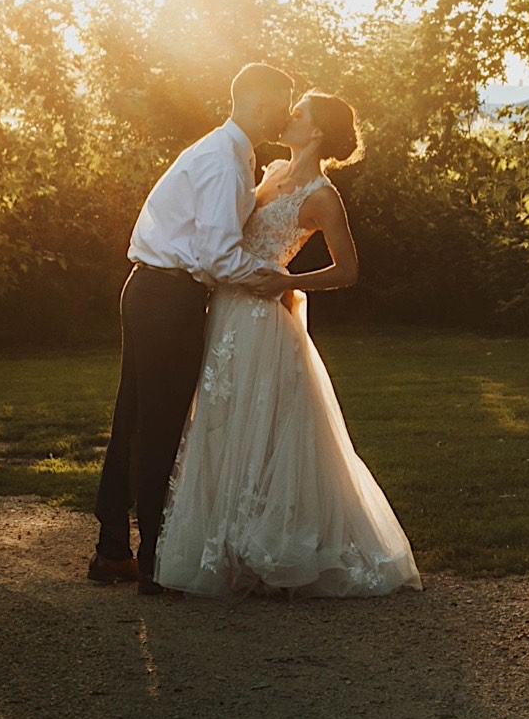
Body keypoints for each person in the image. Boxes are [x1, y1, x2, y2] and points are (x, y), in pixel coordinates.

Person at [155, 92, 422, 597]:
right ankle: (226, 545)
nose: (287, 115)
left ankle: (268, 550)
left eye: (297, 112)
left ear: (317, 131)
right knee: (221, 420)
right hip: (228, 308)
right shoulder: (273, 169)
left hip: (262, 315)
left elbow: (348, 270)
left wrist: (286, 282)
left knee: (262, 427)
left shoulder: (322, 195)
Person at [88, 63, 296, 595]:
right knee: (160, 425)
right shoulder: (225, 161)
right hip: (168, 298)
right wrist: (273, 279)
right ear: (255, 104)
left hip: (151, 289)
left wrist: (263, 190)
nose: (287, 113)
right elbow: (220, 255)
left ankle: (112, 550)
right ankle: (156, 561)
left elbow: (219, 226)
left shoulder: (230, 153)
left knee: (134, 417)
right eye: (281, 102)